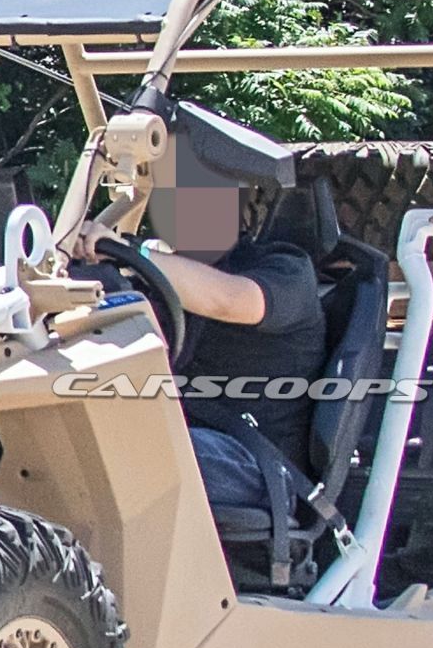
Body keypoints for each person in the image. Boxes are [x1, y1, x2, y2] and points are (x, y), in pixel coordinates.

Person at [70, 186, 324, 508]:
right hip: (192, 435)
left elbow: (228, 300)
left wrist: (131, 250)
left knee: (118, 450)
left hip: (257, 465)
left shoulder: (288, 271)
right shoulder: (171, 277)